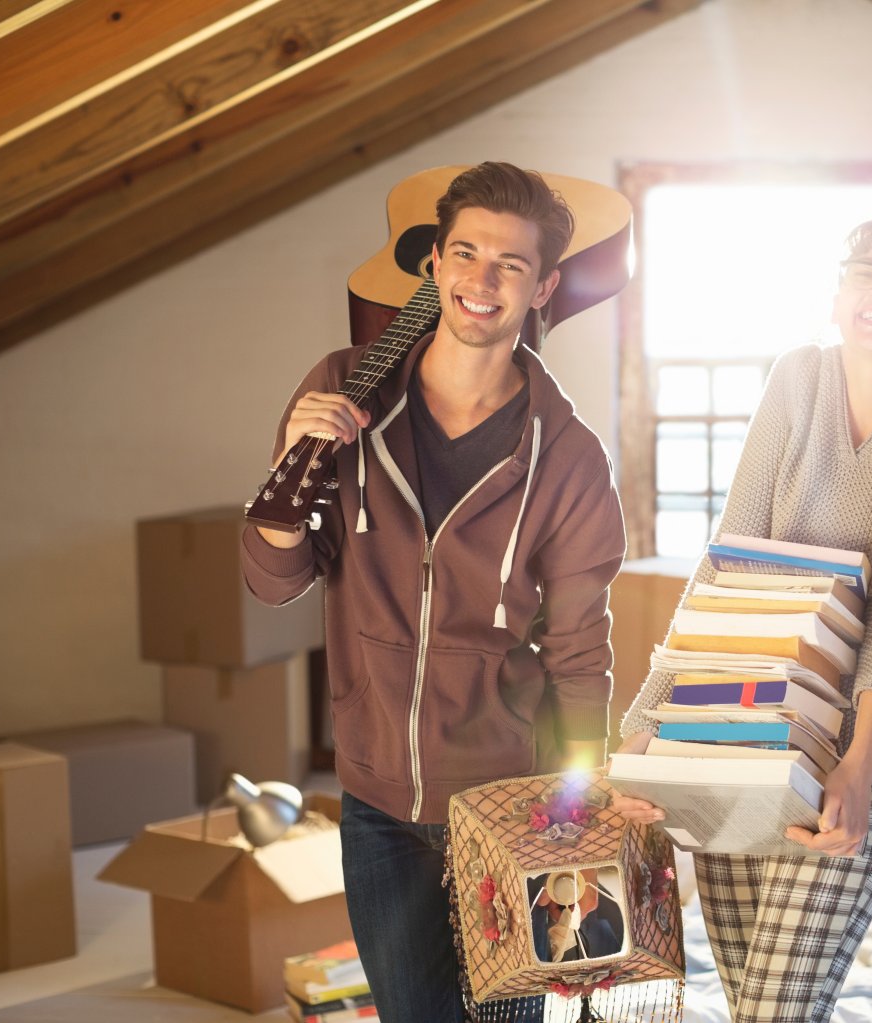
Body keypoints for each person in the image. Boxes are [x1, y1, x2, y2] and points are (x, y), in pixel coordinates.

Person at [240, 161, 626, 1023]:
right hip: (376, 798)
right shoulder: (344, 389)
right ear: (434, 266)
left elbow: (577, 649)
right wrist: (288, 471)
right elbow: (274, 579)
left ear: (543, 287)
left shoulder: (566, 458)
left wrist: (580, 795)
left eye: (510, 264)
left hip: (505, 800)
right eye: (465, 253)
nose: (480, 280)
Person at [613, 219, 872, 1021]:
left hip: (845, 758)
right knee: (748, 1001)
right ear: (836, 294)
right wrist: (647, 720)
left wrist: (858, 765)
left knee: (774, 1012)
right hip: (734, 733)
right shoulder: (796, 378)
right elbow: (728, 557)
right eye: (866, 272)